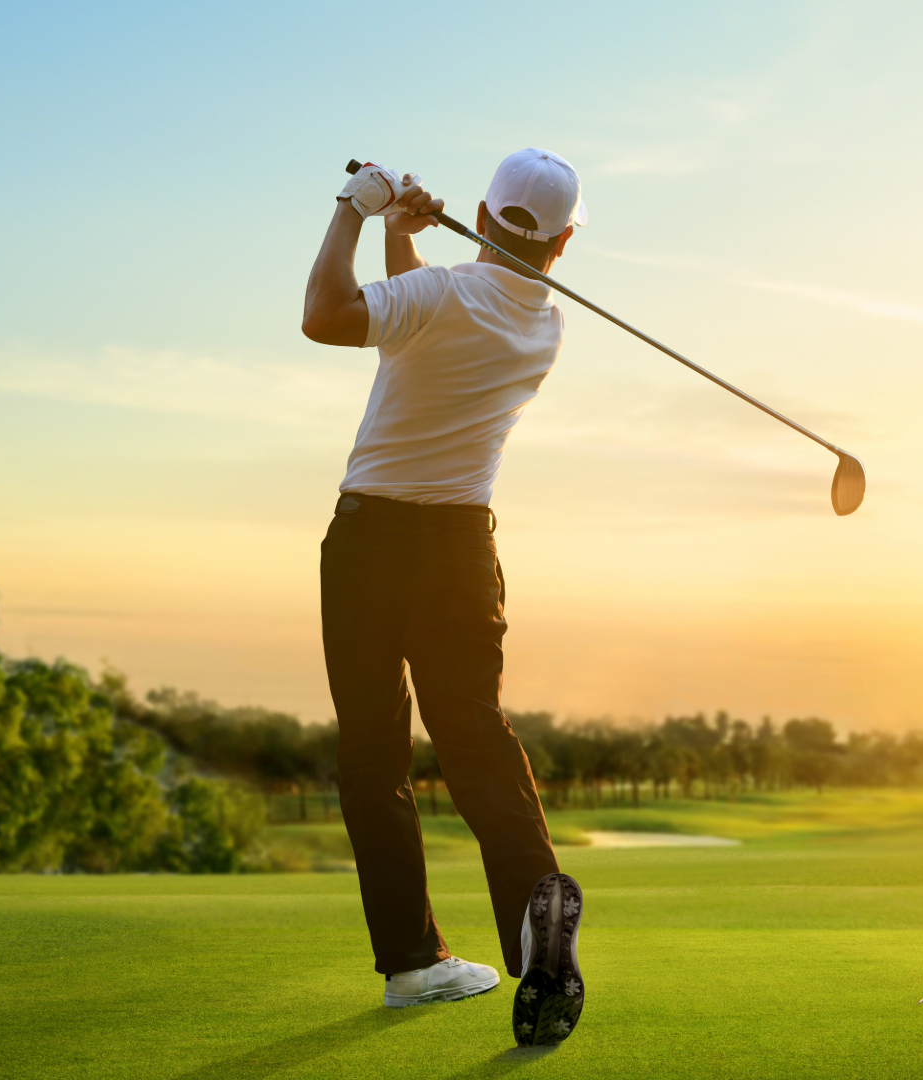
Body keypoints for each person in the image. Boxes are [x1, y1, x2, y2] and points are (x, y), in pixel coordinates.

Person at [300, 149, 588, 1046]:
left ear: (481, 211)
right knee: (475, 740)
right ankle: (528, 919)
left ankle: (413, 964)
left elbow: (326, 318)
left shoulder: (442, 296)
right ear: (564, 243)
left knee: (374, 758)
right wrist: (400, 234)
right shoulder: (541, 329)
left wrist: (353, 207)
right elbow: (417, 324)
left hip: (367, 545)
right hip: (459, 551)